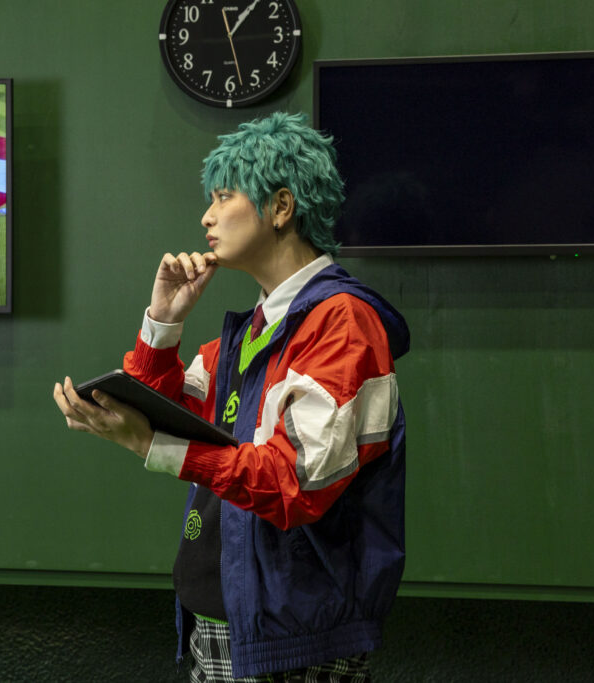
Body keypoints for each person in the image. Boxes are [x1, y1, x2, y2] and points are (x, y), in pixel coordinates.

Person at [53, 112, 409, 682]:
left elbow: (293, 483)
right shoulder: (249, 334)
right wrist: (163, 323)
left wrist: (149, 446)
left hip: (296, 645)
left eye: (224, 196)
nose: (207, 216)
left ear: (281, 207)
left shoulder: (341, 323)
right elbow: (172, 412)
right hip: (225, 629)